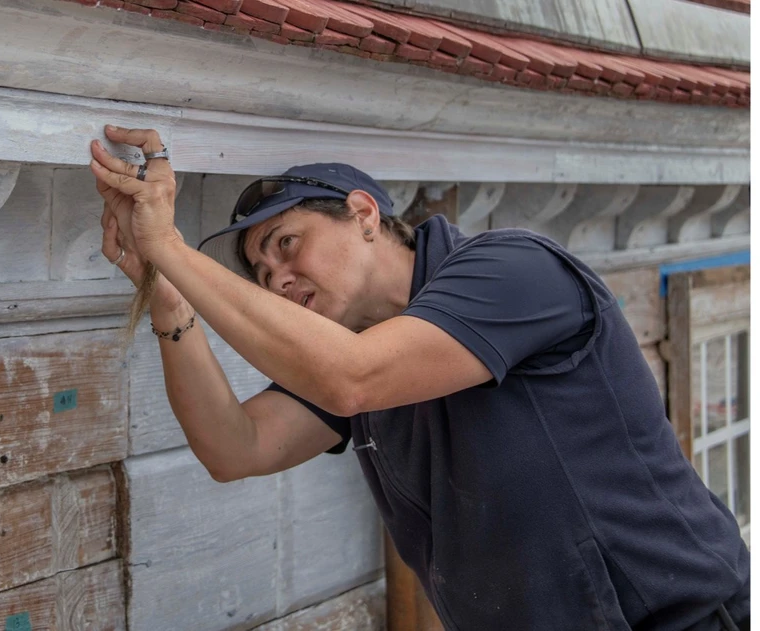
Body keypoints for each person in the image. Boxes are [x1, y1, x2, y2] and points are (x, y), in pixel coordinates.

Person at [88, 125, 749, 630]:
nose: (277, 279)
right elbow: (236, 447)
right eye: (261, 274)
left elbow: (354, 378)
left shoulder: (511, 270)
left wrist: (168, 247)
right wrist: (169, 296)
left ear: (366, 214)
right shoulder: (351, 349)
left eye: (286, 243)